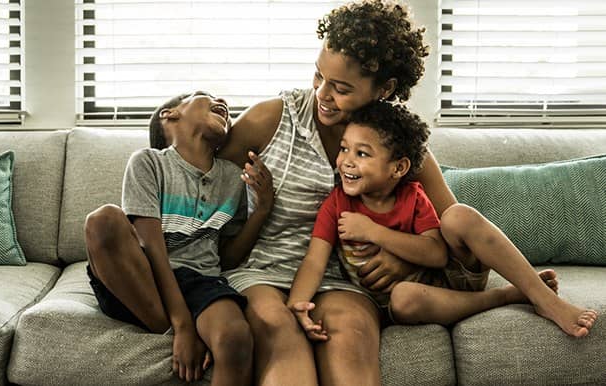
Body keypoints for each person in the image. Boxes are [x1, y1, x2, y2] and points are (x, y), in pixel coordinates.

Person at [217, 1, 597, 385]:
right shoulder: (271, 119)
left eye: (342, 88)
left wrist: (401, 257)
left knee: (349, 334)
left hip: (348, 281)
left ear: (384, 88)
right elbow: (202, 188)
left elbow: (452, 233)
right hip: (267, 269)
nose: (323, 94)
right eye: (319, 76)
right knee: (279, 329)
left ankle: (542, 300)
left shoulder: (396, 143)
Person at [288, 101, 575, 343]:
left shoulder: (412, 196)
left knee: (459, 215)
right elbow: (314, 261)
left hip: (451, 276)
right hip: (414, 299)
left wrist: (374, 232)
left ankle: (544, 299)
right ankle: (504, 296)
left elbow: (437, 254)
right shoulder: (336, 204)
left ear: (398, 168)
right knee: (403, 298)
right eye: (344, 149)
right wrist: (298, 303)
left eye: (362, 153)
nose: (346, 161)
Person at [83, 91, 274, 386]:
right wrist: (183, 325)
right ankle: (170, 327)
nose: (222, 100)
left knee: (235, 338)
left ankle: (185, 328)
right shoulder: (148, 162)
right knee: (103, 219)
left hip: (201, 281)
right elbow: (152, 247)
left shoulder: (233, 178)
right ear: (170, 115)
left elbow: (228, 258)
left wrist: (261, 210)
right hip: (144, 276)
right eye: (205, 96)